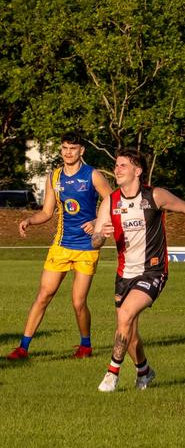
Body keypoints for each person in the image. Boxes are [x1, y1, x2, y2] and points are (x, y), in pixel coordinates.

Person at [7, 132, 112, 360]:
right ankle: (23, 347)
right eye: (64, 147)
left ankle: (85, 346)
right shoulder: (54, 177)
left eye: (72, 148)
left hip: (87, 247)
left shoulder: (93, 175)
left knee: (78, 301)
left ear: (81, 150)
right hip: (61, 245)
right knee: (44, 294)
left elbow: (113, 202)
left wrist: (96, 222)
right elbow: (47, 212)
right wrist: (29, 220)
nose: (67, 152)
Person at [92, 149, 185, 392]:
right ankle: (144, 372)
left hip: (153, 272)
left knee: (125, 317)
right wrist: (101, 235)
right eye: (116, 165)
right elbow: (95, 240)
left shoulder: (155, 195)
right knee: (130, 334)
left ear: (137, 171)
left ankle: (112, 374)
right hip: (124, 274)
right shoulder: (110, 201)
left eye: (123, 165)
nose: (117, 169)